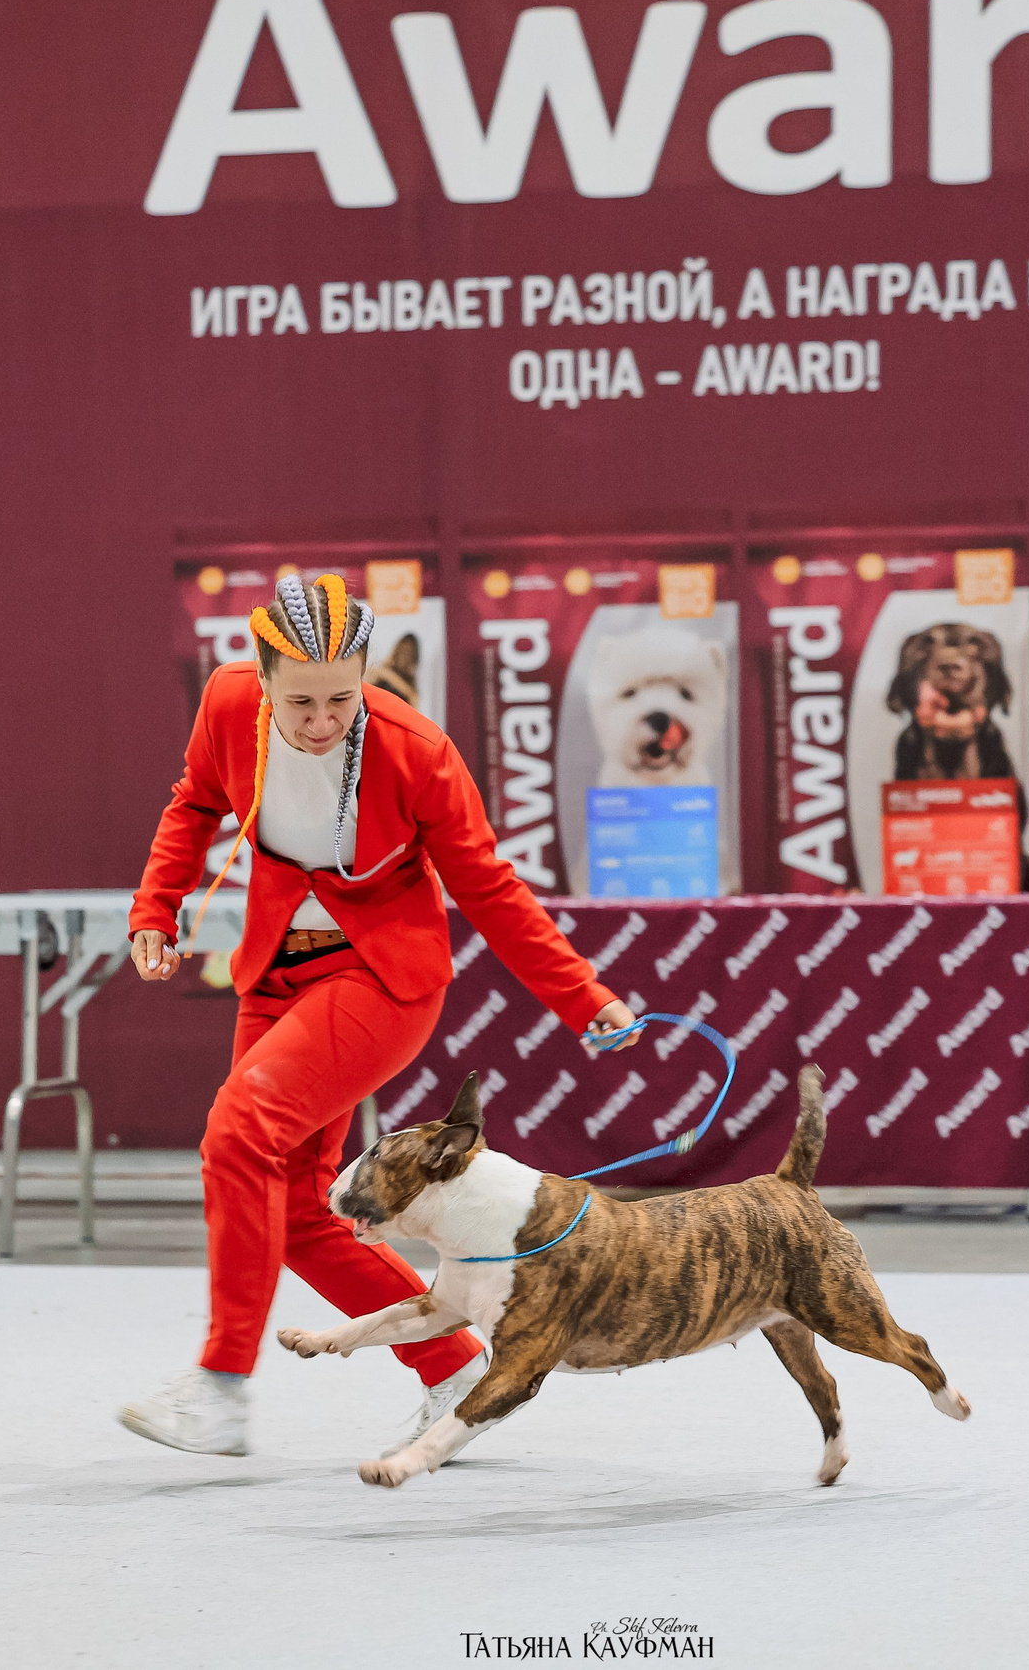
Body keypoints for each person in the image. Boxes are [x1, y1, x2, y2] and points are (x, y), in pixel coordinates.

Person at [118, 571, 640, 1457]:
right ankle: (456, 1365)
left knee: (236, 1134)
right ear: (262, 677)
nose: (323, 721)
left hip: (380, 982)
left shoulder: (417, 751)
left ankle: (221, 1385)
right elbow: (193, 803)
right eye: (302, 702)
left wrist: (581, 995)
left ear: (365, 675)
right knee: (296, 1207)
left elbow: (491, 889)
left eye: (341, 698)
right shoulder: (226, 703)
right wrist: (154, 911)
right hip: (275, 976)